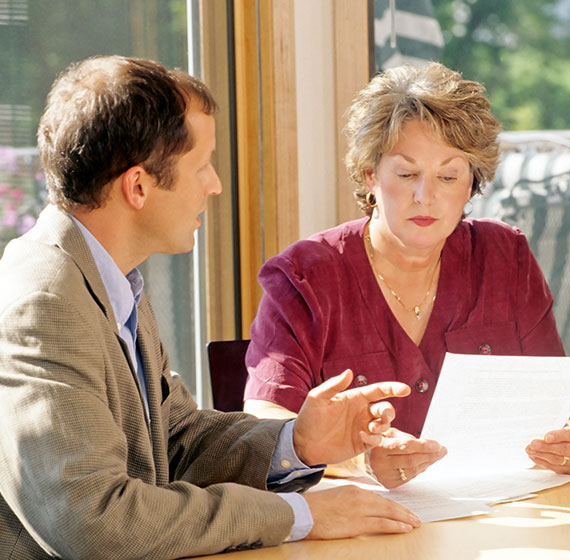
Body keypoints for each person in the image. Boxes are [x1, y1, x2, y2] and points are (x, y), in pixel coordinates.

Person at [0, 55, 422, 560]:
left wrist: (297, 442)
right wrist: (300, 516)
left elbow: (175, 440)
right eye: (202, 165)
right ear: (138, 186)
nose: (215, 184)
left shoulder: (107, 279)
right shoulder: (44, 302)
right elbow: (92, 520)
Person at [243, 62, 570, 489]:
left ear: (471, 185)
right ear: (371, 175)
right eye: (406, 174)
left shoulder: (505, 256)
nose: (425, 197)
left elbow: (564, 404)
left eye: (448, 176)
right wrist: (359, 463)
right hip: (361, 531)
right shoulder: (303, 277)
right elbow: (265, 424)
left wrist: (564, 442)